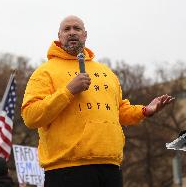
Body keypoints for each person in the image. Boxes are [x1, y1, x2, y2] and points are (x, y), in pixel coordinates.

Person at [21, 15, 175, 187]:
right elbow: (30, 115)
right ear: (59, 36)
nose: (72, 32)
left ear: (85, 35)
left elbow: (118, 111)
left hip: (110, 167)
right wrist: (68, 91)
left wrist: (145, 111)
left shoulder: (107, 73)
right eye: (67, 29)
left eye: (76, 29)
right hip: (67, 170)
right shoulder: (44, 72)